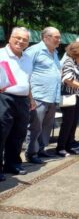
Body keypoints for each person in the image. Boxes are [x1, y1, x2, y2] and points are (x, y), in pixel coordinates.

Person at [0, 27, 34, 179]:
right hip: (4, 98)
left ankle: (12, 164)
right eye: (18, 38)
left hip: (23, 100)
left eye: (25, 39)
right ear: (10, 38)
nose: (21, 41)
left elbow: (28, 80)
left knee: (18, 134)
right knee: (1, 133)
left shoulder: (27, 58)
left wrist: (31, 98)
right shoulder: (1, 54)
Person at [25, 27, 61, 164]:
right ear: (46, 38)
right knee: (35, 126)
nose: (59, 40)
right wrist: (30, 96)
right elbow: (25, 72)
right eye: (56, 37)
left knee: (46, 126)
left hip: (52, 96)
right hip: (38, 96)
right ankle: (31, 153)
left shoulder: (55, 52)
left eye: (59, 37)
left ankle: (41, 149)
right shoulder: (34, 50)